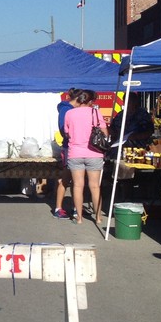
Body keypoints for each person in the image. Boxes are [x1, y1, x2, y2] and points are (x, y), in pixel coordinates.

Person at [62, 90, 108, 226]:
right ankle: (98, 217)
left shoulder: (69, 113)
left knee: (77, 186)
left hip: (75, 153)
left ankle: (79, 218)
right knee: (94, 186)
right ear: (90, 101)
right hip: (94, 153)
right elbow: (105, 132)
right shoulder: (95, 112)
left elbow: (67, 133)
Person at [52, 89, 82, 219]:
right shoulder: (66, 110)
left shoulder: (69, 109)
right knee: (66, 178)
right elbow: (64, 129)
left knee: (77, 180)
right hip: (69, 148)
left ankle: (76, 208)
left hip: (75, 147)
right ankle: (59, 208)